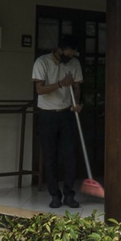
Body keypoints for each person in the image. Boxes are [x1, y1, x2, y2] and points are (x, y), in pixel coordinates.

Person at [32, 35, 84, 208]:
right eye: (67, 54)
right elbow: (39, 89)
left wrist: (77, 103)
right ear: (59, 49)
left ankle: (69, 194)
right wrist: (61, 84)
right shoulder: (42, 62)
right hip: (47, 114)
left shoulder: (74, 63)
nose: (70, 57)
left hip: (67, 113)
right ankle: (55, 194)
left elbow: (77, 87)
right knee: (50, 156)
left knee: (70, 155)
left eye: (72, 54)